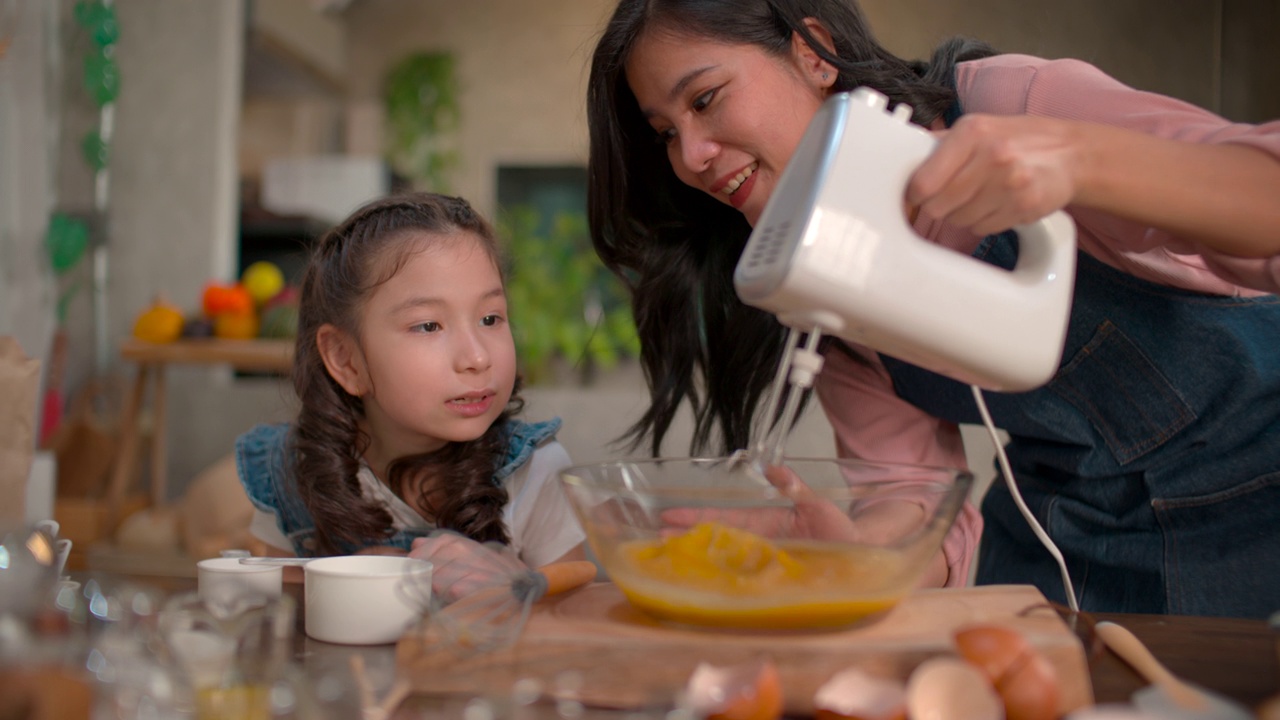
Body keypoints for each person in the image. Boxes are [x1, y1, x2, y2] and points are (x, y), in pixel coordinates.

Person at [585, 0, 1280, 617]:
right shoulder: (824, 289)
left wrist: (1078, 160)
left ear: (811, 51)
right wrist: (858, 552)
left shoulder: (1012, 102)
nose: (692, 157)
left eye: (703, 100)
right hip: (1065, 564)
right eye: (665, 132)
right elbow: (910, 499)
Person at [235, 192, 586, 582]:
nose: (477, 357)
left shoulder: (535, 472)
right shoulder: (288, 471)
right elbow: (279, 620)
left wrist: (513, 586)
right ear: (345, 359)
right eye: (428, 326)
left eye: (490, 318)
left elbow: (575, 621)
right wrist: (336, 583)